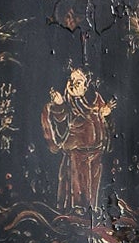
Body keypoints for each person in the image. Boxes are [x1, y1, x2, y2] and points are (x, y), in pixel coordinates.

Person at [42, 67, 115, 215]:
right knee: (78, 181)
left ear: (86, 85)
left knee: (93, 181)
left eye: (78, 81)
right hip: (77, 148)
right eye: (71, 80)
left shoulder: (95, 98)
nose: (73, 84)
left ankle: (92, 209)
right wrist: (59, 105)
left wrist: (105, 113)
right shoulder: (68, 100)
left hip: (96, 147)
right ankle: (78, 209)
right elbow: (61, 120)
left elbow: (99, 115)